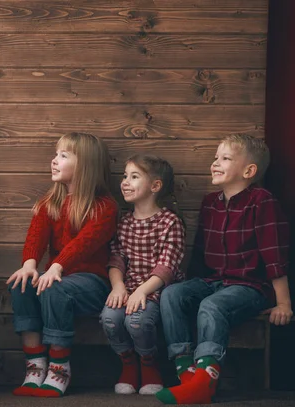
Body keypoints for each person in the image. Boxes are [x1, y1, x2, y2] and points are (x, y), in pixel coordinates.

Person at [156, 134, 292, 405]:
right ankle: (188, 374)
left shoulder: (261, 201)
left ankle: (205, 380)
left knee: (212, 305)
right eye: (216, 157)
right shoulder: (211, 202)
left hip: (250, 287)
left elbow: (274, 253)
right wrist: (188, 289)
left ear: (248, 171)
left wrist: (284, 303)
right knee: (172, 294)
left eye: (225, 158)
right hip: (213, 280)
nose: (215, 163)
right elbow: (200, 253)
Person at [6, 132, 118, 398]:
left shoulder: (104, 207)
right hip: (59, 275)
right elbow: (36, 236)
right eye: (56, 155)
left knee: (55, 288)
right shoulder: (51, 202)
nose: (54, 161)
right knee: (21, 285)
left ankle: (59, 368)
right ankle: (35, 365)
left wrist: (56, 267)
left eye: (63, 156)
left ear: (85, 165)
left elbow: (84, 245)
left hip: (91, 283)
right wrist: (30, 265)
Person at [101, 155, 185, 396]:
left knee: (136, 320)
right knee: (109, 317)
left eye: (134, 176)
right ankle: (128, 364)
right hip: (127, 290)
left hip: (156, 292)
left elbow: (166, 267)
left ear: (155, 186)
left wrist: (142, 291)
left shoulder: (170, 222)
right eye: (125, 176)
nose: (125, 182)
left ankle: (149, 365)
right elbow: (116, 258)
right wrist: (118, 287)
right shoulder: (124, 222)